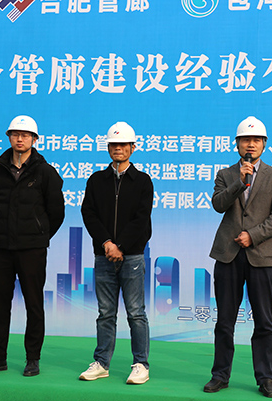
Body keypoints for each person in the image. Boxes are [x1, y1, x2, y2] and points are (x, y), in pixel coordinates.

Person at [203, 116, 272, 398]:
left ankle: (266, 378)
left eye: (256, 140)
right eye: (245, 140)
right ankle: (220, 375)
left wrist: (253, 235)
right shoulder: (226, 174)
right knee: (224, 321)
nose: (250, 144)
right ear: (237, 144)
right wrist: (240, 182)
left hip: (260, 255)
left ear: (264, 144)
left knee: (264, 321)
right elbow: (218, 204)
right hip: (228, 255)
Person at [0, 115, 64, 377]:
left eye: (25, 135)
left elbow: (56, 212)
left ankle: (32, 359)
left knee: (34, 305)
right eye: (15, 134)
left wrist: (38, 235)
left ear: (35, 139)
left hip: (32, 249)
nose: (20, 139)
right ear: (9, 137)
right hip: (1, 248)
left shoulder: (45, 172)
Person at [78, 122, 153, 384]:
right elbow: (89, 213)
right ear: (108, 148)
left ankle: (141, 364)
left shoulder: (142, 181)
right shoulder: (96, 180)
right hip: (103, 256)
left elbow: (141, 219)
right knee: (105, 313)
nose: (118, 148)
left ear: (133, 147)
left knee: (136, 313)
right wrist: (107, 243)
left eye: (123, 144)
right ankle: (101, 363)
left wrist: (120, 245)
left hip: (132, 257)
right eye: (113, 144)